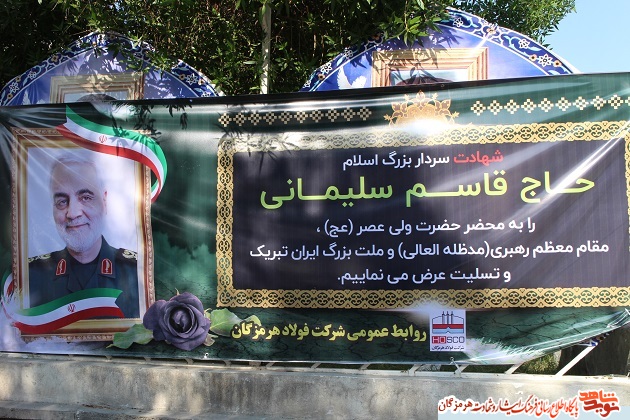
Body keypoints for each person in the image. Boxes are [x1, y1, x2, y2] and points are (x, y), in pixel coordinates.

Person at [28, 155, 139, 318]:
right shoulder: (31, 276)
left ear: (104, 201)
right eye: (62, 201)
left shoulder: (137, 272)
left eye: (86, 198)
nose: (73, 213)